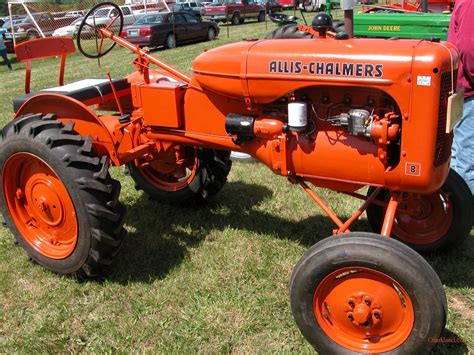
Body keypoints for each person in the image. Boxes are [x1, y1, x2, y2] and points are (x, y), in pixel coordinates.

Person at [447, 0, 474, 195]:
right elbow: (469, 50)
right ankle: (466, 211)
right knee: (467, 158)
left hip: (465, 86)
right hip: (470, 89)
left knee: (463, 154)